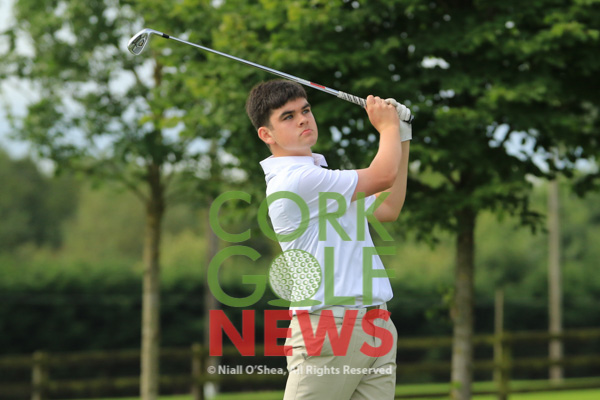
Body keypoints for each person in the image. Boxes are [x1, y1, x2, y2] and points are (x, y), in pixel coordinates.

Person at [246, 79, 411, 400]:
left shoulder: (323, 176)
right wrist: (388, 127)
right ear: (267, 135)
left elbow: (388, 207)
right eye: (288, 117)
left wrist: (401, 134)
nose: (303, 119)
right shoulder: (295, 181)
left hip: (376, 324)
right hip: (329, 326)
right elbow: (383, 175)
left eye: (305, 110)